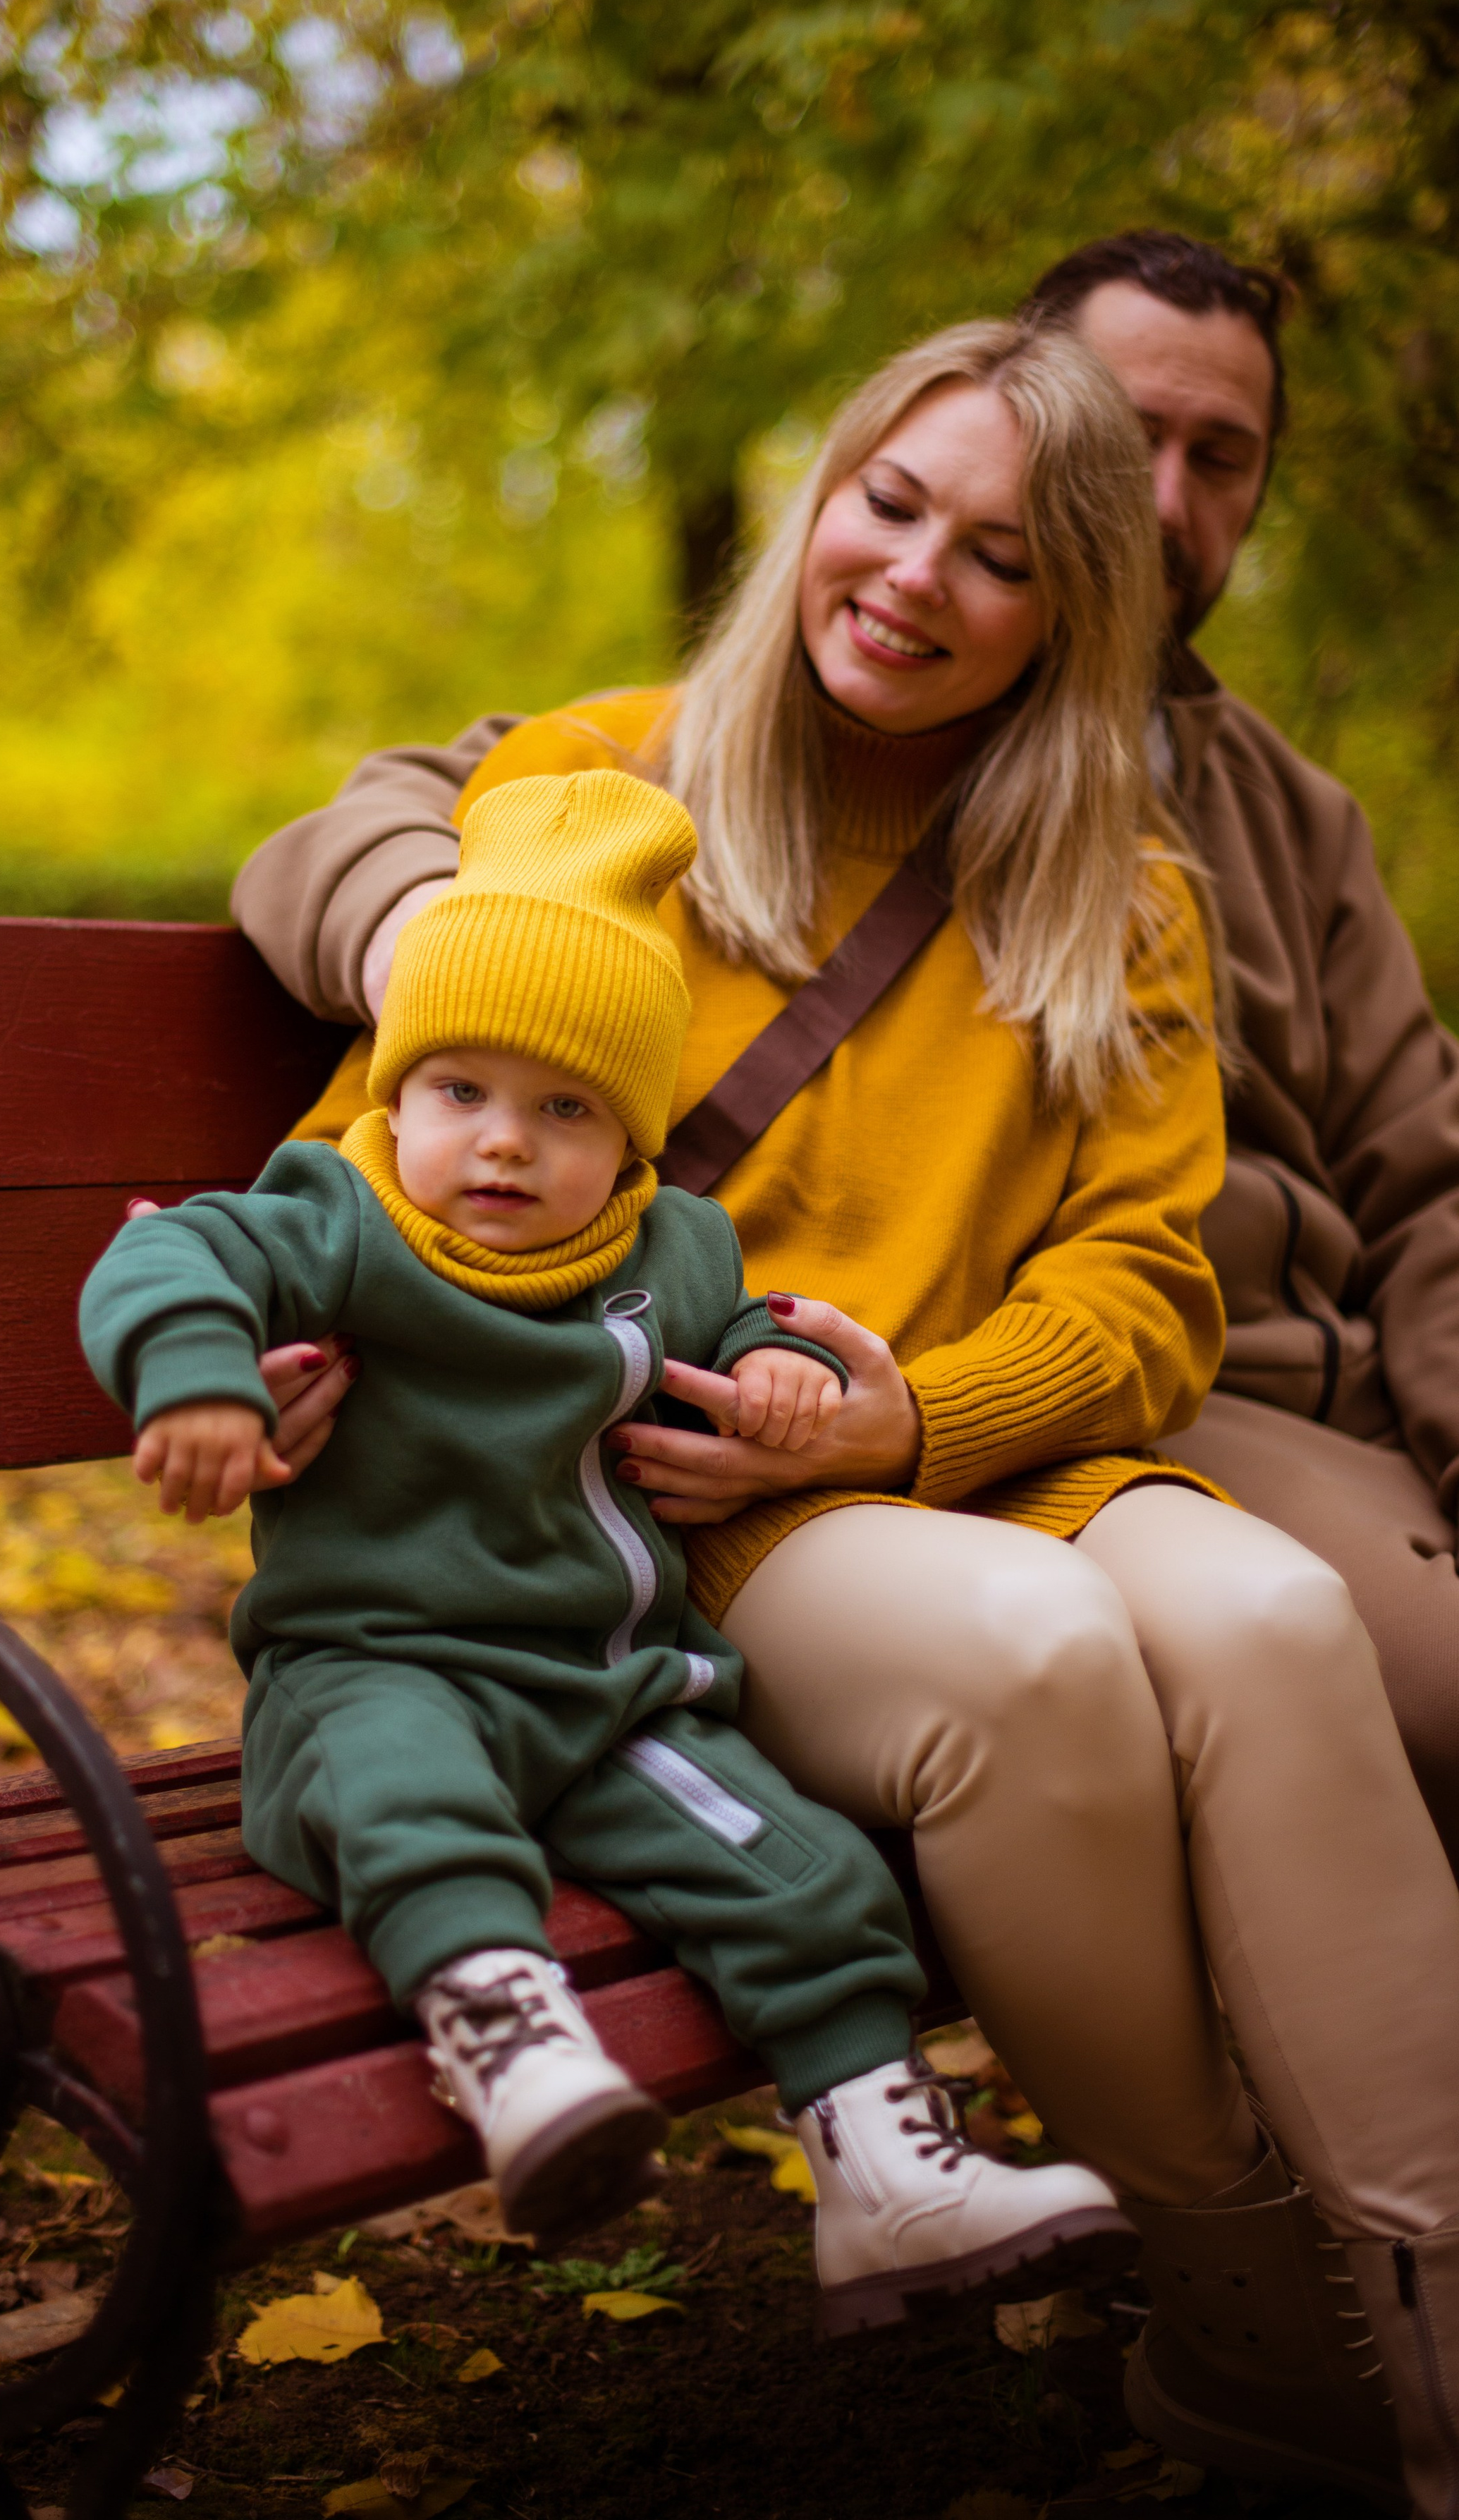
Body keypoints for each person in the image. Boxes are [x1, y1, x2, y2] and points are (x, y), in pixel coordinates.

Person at [229, 310, 1459, 2519]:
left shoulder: (1125, 894)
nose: (913, 578)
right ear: (826, 497)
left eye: (1000, 557)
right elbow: (387, 1133)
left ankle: (1441, 2342)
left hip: (961, 1454)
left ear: (1072, 614)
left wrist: (914, 1415)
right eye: (890, 504)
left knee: (1275, 1619)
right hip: (658, 1505)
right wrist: (297, 1342)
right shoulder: (593, 792)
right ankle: (1261, 2309)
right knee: (1040, 1665)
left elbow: (1148, 1280)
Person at [240, 229, 1459, 1882]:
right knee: (1335, 1671)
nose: (1163, 493)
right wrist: (434, 953)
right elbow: (394, 832)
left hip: (1227, 1391)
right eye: (1118, 426)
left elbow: (1423, 1178)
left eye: (1218, 457)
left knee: (1255, 1648)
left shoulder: (1272, 823)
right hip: (1039, 1410)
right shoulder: (666, 757)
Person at [80, 765, 1136, 2315]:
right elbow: (173, 1251)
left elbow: (746, 1325)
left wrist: (779, 1365)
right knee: (407, 1795)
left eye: (562, 1107)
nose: (501, 1144)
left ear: (630, 1137)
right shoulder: (341, 1215)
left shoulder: (670, 1248)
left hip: (606, 1692)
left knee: (806, 1873)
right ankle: (511, 2039)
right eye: (460, 1092)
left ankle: (882, 2169)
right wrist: (192, 1376)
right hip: (373, 1672)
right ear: (398, 1091)